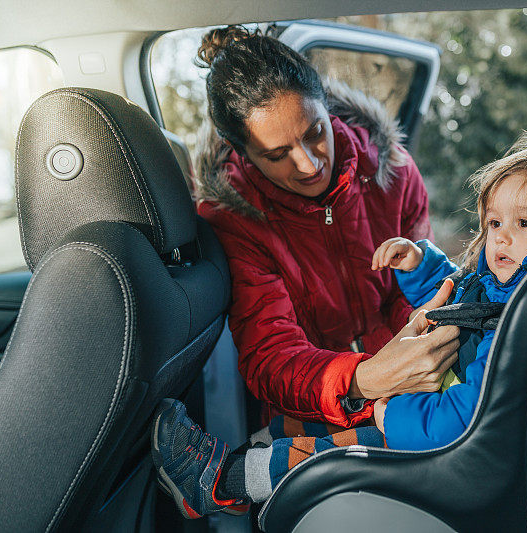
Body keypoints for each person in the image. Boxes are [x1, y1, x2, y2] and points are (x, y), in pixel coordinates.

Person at [151, 130, 527, 517]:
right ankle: (245, 462)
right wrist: (421, 266)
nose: (501, 237)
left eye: (523, 225)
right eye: (493, 223)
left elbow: (464, 423)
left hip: (435, 438)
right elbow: (457, 303)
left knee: (322, 452)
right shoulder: (502, 286)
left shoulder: (523, 327)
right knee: (290, 426)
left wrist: (391, 415)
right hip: (422, 401)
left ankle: (218, 483)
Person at [193, 23, 461, 435]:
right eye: (278, 154)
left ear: (326, 107)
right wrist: (365, 378)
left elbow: (419, 288)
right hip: (314, 405)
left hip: (415, 380)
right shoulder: (233, 221)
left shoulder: (394, 172)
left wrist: (417, 345)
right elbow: (273, 355)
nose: (308, 164)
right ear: (242, 153)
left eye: (315, 132)